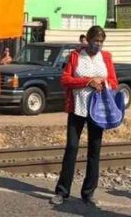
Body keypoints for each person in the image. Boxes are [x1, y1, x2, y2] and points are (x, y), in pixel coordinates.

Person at [51, 25, 118, 208]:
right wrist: (87, 81)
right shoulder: (75, 56)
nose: (98, 45)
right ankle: (62, 191)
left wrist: (102, 83)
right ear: (88, 40)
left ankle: (88, 192)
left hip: (98, 109)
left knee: (94, 150)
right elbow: (65, 79)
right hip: (77, 107)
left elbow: (114, 82)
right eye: (95, 41)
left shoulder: (106, 57)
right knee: (72, 147)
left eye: (101, 42)